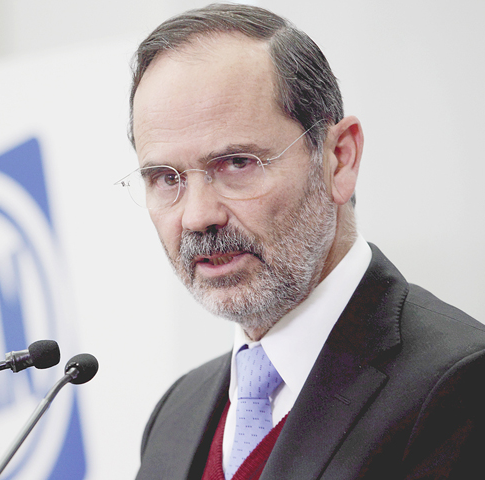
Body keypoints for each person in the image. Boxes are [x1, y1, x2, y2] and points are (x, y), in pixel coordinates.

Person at [116, 4, 485, 480]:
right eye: (167, 178)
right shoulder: (176, 414)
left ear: (339, 159)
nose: (198, 216)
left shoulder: (459, 386)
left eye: (238, 163)